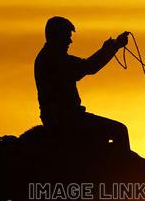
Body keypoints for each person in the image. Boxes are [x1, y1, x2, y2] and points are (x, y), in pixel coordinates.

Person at [34, 16, 131, 151]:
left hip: (59, 119)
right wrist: (114, 47)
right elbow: (89, 67)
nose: (70, 41)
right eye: (67, 36)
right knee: (119, 130)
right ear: (57, 36)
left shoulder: (46, 58)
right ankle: (122, 164)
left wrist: (108, 48)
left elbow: (86, 66)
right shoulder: (55, 60)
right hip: (68, 121)